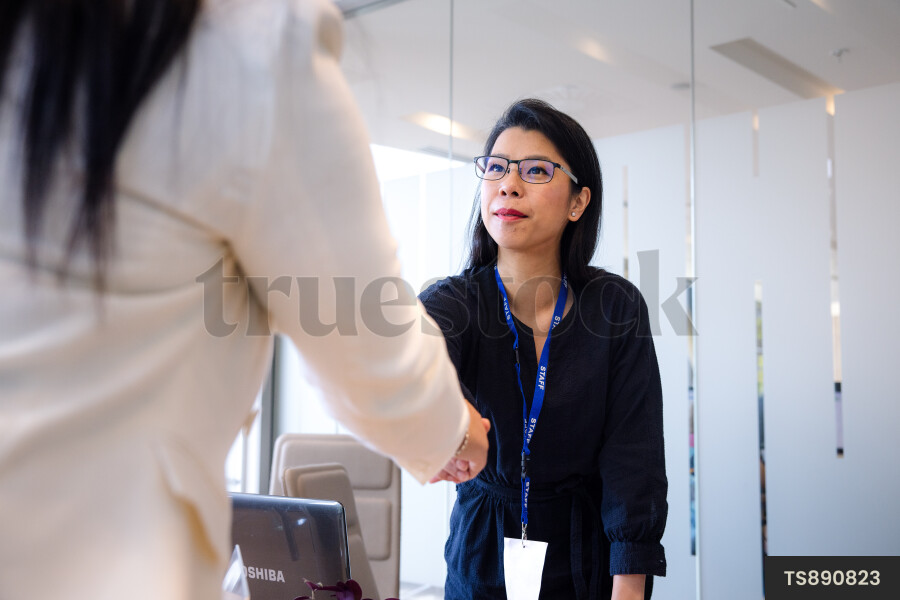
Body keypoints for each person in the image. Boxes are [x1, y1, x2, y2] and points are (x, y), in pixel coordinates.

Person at [0, 1, 489, 599]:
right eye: (495, 168)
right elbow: (368, 348)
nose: (507, 185)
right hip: (100, 557)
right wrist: (457, 432)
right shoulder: (250, 42)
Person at [421, 99, 668, 600]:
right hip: (480, 562)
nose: (508, 184)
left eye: (536, 170)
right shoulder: (453, 302)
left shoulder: (615, 306)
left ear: (578, 202)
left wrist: (628, 592)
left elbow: (633, 466)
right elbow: (412, 360)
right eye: (495, 168)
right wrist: (438, 416)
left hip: (585, 564)